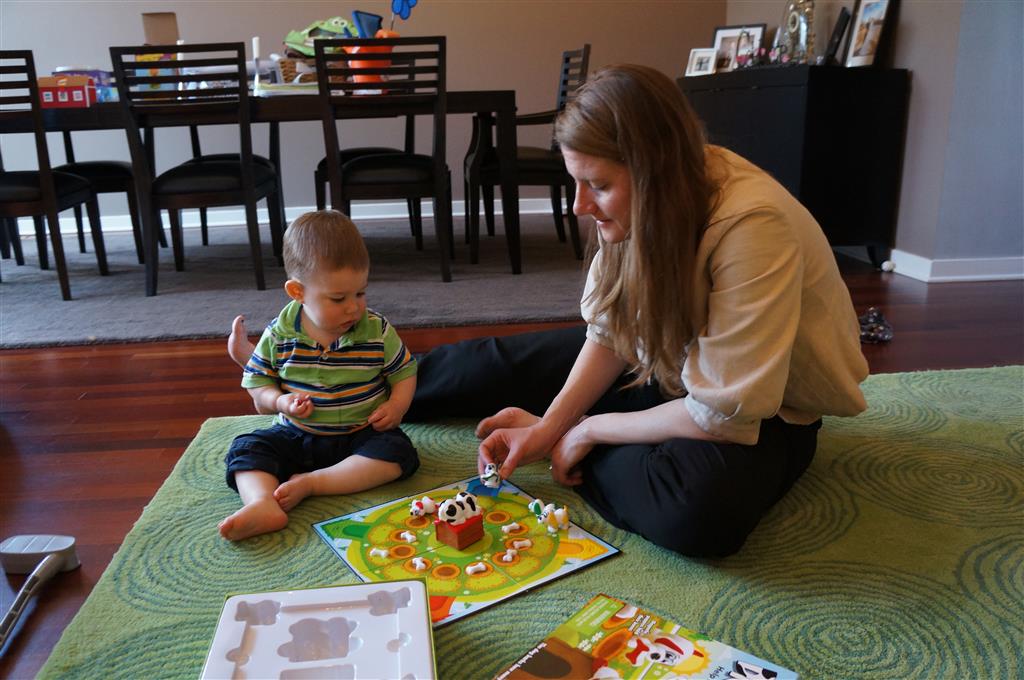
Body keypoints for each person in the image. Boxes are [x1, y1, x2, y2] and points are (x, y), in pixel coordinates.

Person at [407, 64, 869, 558]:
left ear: (654, 175)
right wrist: (548, 425)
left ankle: (590, 450)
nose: (579, 206)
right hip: (670, 364)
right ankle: (369, 387)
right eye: (576, 182)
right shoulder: (639, 207)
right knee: (488, 364)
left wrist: (584, 430)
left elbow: (721, 417)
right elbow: (610, 335)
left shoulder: (754, 225)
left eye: (598, 185)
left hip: (765, 414)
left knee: (699, 510)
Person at [220, 210, 419, 541]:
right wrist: (281, 401)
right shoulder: (279, 335)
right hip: (297, 435)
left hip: (361, 434)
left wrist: (397, 405)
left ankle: (314, 483)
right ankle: (261, 503)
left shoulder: (377, 330)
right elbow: (260, 386)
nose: (354, 307)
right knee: (246, 448)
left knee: (399, 454)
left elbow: (404, 371)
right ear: (297, 292)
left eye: (360, 293)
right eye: (338, 298)